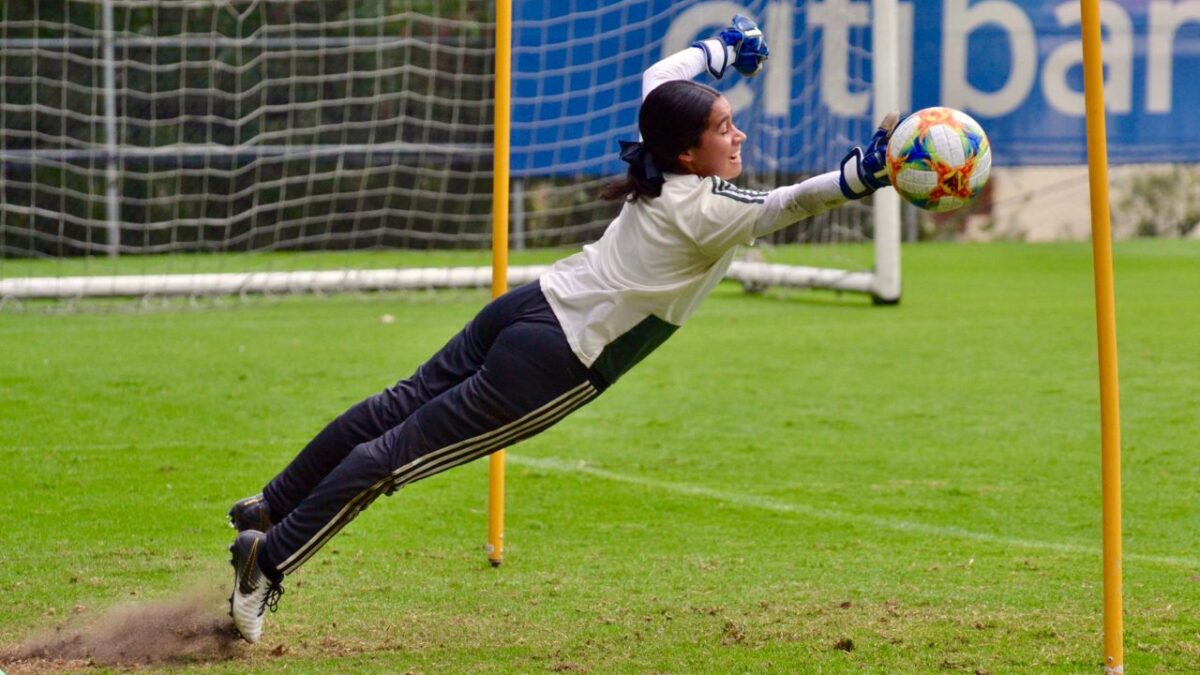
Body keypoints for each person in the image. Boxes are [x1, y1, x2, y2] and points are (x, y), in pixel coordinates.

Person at [226, 15, 898, 644]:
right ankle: (267, 562)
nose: (738, 135)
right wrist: (862, 176)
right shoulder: (707, 205)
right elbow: (791, 202)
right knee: (397, 453)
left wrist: (723, 50)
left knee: (392, 407)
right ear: (690, 154)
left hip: (530, 304)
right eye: (724, 128)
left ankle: (270, 503)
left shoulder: (664, 145)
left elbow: (661, 74)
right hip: (560, 358)